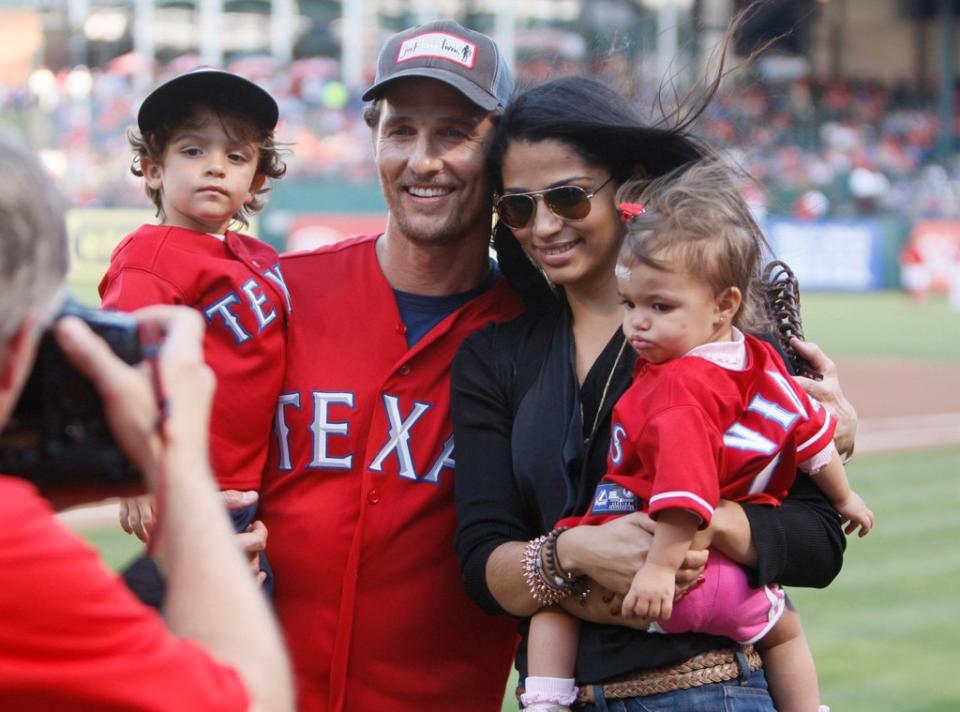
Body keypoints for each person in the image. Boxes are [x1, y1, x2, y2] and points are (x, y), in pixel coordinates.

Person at [452, 75, 858, 711]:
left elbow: (818, 541)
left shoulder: (731, 339)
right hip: (558, 697)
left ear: (631, 185)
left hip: (713, 691)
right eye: (519, 208)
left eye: (568, 197)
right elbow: (481, 563)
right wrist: (574, 552)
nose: (545, 226)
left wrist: (701, 522)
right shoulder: (494, 356)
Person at [255, 20, 523, 711]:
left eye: (455, 134)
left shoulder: (539, 335)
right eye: (401, 131)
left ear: (501, 154)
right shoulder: (281, 294)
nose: (423, 160)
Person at [0, 133, 293, 711]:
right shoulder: (14, 543)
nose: (215, 167)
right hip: (220, 495)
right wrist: (169, 462)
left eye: (236, 156)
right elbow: (252, 701)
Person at [98, 68, 290, 600]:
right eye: (192, 151)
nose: (214, 167)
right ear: (154, 170)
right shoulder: (149, 255)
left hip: (254, 490)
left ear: (254, 182)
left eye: (235, 156)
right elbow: (123, 362)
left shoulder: (261, 258)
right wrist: (137, 473)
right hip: (192, 489)